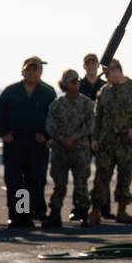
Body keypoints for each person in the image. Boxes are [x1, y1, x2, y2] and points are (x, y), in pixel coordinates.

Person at [0, 57, 56, 229]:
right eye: (28, 69)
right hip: (14, 143)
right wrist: (4, 134)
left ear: (40, 72)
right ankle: (15, 216)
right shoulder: (10, 92)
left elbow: (54, 118)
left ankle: (26, 215)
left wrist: (47, 136)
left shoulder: (47, 93)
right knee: (14, 181)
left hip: (36, 145)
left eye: (34, 69)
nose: (31, 72)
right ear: (22, 71)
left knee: (32, 181)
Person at [88, 60, 132, 226]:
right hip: (106, 142)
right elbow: (97, 117)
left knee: (125, 177)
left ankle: (122, 211)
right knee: (101, 177)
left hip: (127, 143)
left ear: (117, 71)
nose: (107, 78)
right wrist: (94, 138)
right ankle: (95, 211)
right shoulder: (104, 91)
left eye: (108, 74)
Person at [46, 70, 95, 225]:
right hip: (60, 150)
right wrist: (62, 140)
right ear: (65, 84)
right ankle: (55, 213)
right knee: (59, 184)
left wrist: (74, 138)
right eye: (72, 81)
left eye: (77, 81)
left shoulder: (87, 104)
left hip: (80, 149)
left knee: (81, 183)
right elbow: (50, 126)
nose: (76, 83)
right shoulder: (57, 104)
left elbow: (90, 125)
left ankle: (83, 213)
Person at [79, 54, 111, 218]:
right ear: (84, 66)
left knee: (103, 172)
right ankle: (80, 208)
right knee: (81, 173)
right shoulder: (78, 85)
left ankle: (104, 208)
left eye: (94, 64)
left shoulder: (105, 86)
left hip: (101, 135)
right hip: (83, 135)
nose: (91, 66)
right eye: (88, 64)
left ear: (98, 66)